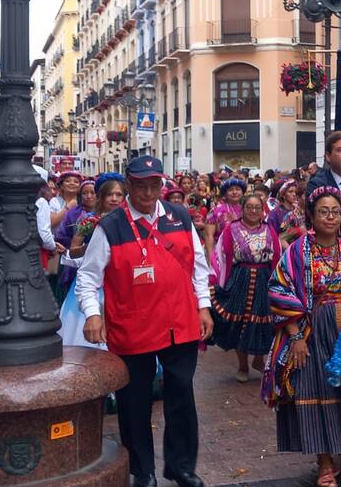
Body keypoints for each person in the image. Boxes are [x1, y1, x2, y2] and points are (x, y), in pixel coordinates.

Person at [77, 156, 212, 487]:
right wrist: (93, 314)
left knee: (181, 397)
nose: (148, 192)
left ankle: (180, 466)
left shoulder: (178, 216)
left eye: (154, 184)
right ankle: (143, 470)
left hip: (179, 324)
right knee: (134, 403)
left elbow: (198, 265)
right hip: (132, 328)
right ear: (128, 185)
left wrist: (204, 306)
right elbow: (87, 277)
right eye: (140, 185)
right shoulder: (110, 226)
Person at [263, 186, 341, 486]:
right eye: (323, 212)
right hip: (311, 332)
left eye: (336, 212)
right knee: (315, 393)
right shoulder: (297, 251)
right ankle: (324, 462)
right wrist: (295, 337)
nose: (330, 217)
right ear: (312, 216)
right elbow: (278, 289)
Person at [212, 193, 281, 382]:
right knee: (239, 322)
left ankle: (258, 359)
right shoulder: (231, 229)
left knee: (263, 321)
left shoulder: (269, 230)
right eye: (249, 207)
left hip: (263, 279)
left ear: (262, 210)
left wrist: (277, 284)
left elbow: (276, 257)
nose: (253, 211)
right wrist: (220, 281)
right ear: (242, 209)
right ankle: (242, 365)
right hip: (239, 277)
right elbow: (221, 255)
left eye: (257, 207)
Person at [59, 174, 124, 349]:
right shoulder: (88, 219)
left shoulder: (129, 220)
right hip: (94, 280)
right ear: (101, 197)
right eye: (110, 194)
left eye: (118, 195)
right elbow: (73, 251)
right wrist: (90, 247)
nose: (114, 199)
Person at [204, 177, 246, 271]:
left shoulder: (247, 209)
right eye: (230, 190)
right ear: (225, 194)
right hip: (221, 254)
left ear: (242, 192)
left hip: (244, 256)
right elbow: (208, 235)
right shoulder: (216, 210)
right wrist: (211, 259)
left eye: (238, 189)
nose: (234, 192)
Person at [266, 180, 306, 247]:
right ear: (283, 194)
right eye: (290, 192)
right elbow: (271, 234)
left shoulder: (299, 210)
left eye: (296, 192)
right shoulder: (275, 213)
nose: (294, 194)